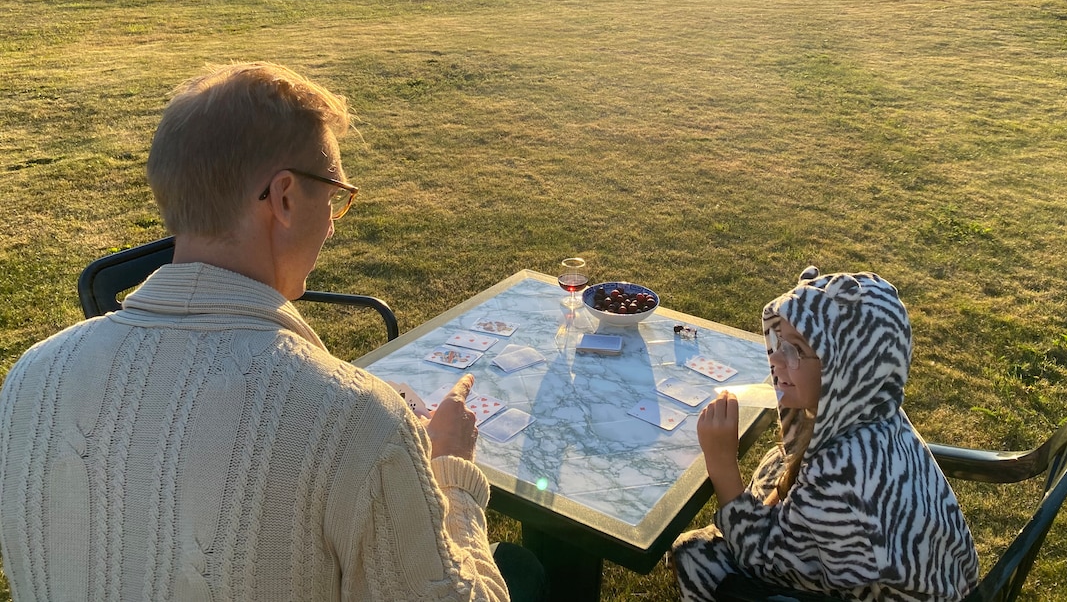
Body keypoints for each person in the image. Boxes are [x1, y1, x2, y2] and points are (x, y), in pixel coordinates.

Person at [0, 61, 543, 602]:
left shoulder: (30, 378)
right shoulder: (357, 422)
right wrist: (452, 477)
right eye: (333, 195)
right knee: (525, 569)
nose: (332, 221)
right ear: (284, 198)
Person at [672, 266, 979, 602]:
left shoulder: (837, 477)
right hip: (945, 585)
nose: (775, 358)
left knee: (695, 555)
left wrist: (722, 464)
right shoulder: (878, 413)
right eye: (779, 342)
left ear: (847, 368)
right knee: (776, 464)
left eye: (796, 350)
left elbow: (760, 560)